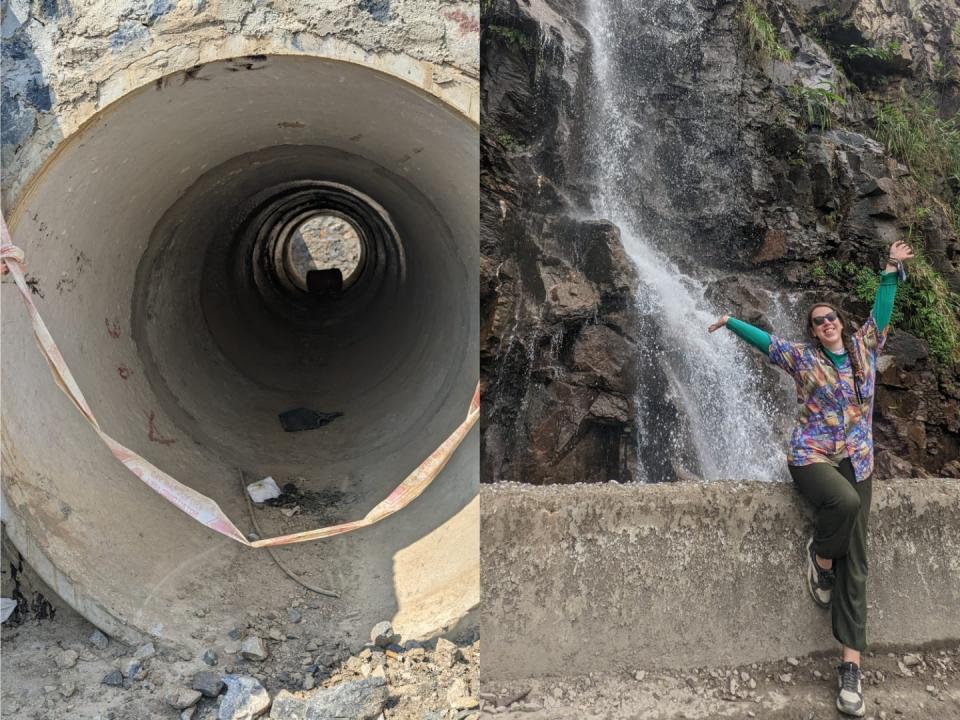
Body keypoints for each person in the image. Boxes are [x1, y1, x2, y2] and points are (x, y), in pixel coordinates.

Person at [707, 239, 913, 718]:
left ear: (841, 322)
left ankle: (850, 668)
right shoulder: (803, 359)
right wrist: (730, 322)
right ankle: (820, 558)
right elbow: (768, 344)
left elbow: (882, 312)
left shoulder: (864, 347)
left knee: (858, 564)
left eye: (831, 317)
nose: (827, 324)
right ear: (813, 331)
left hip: (858, 457)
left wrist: (889, 270)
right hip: (812, 456)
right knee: (845, 505)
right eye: (818, 321)